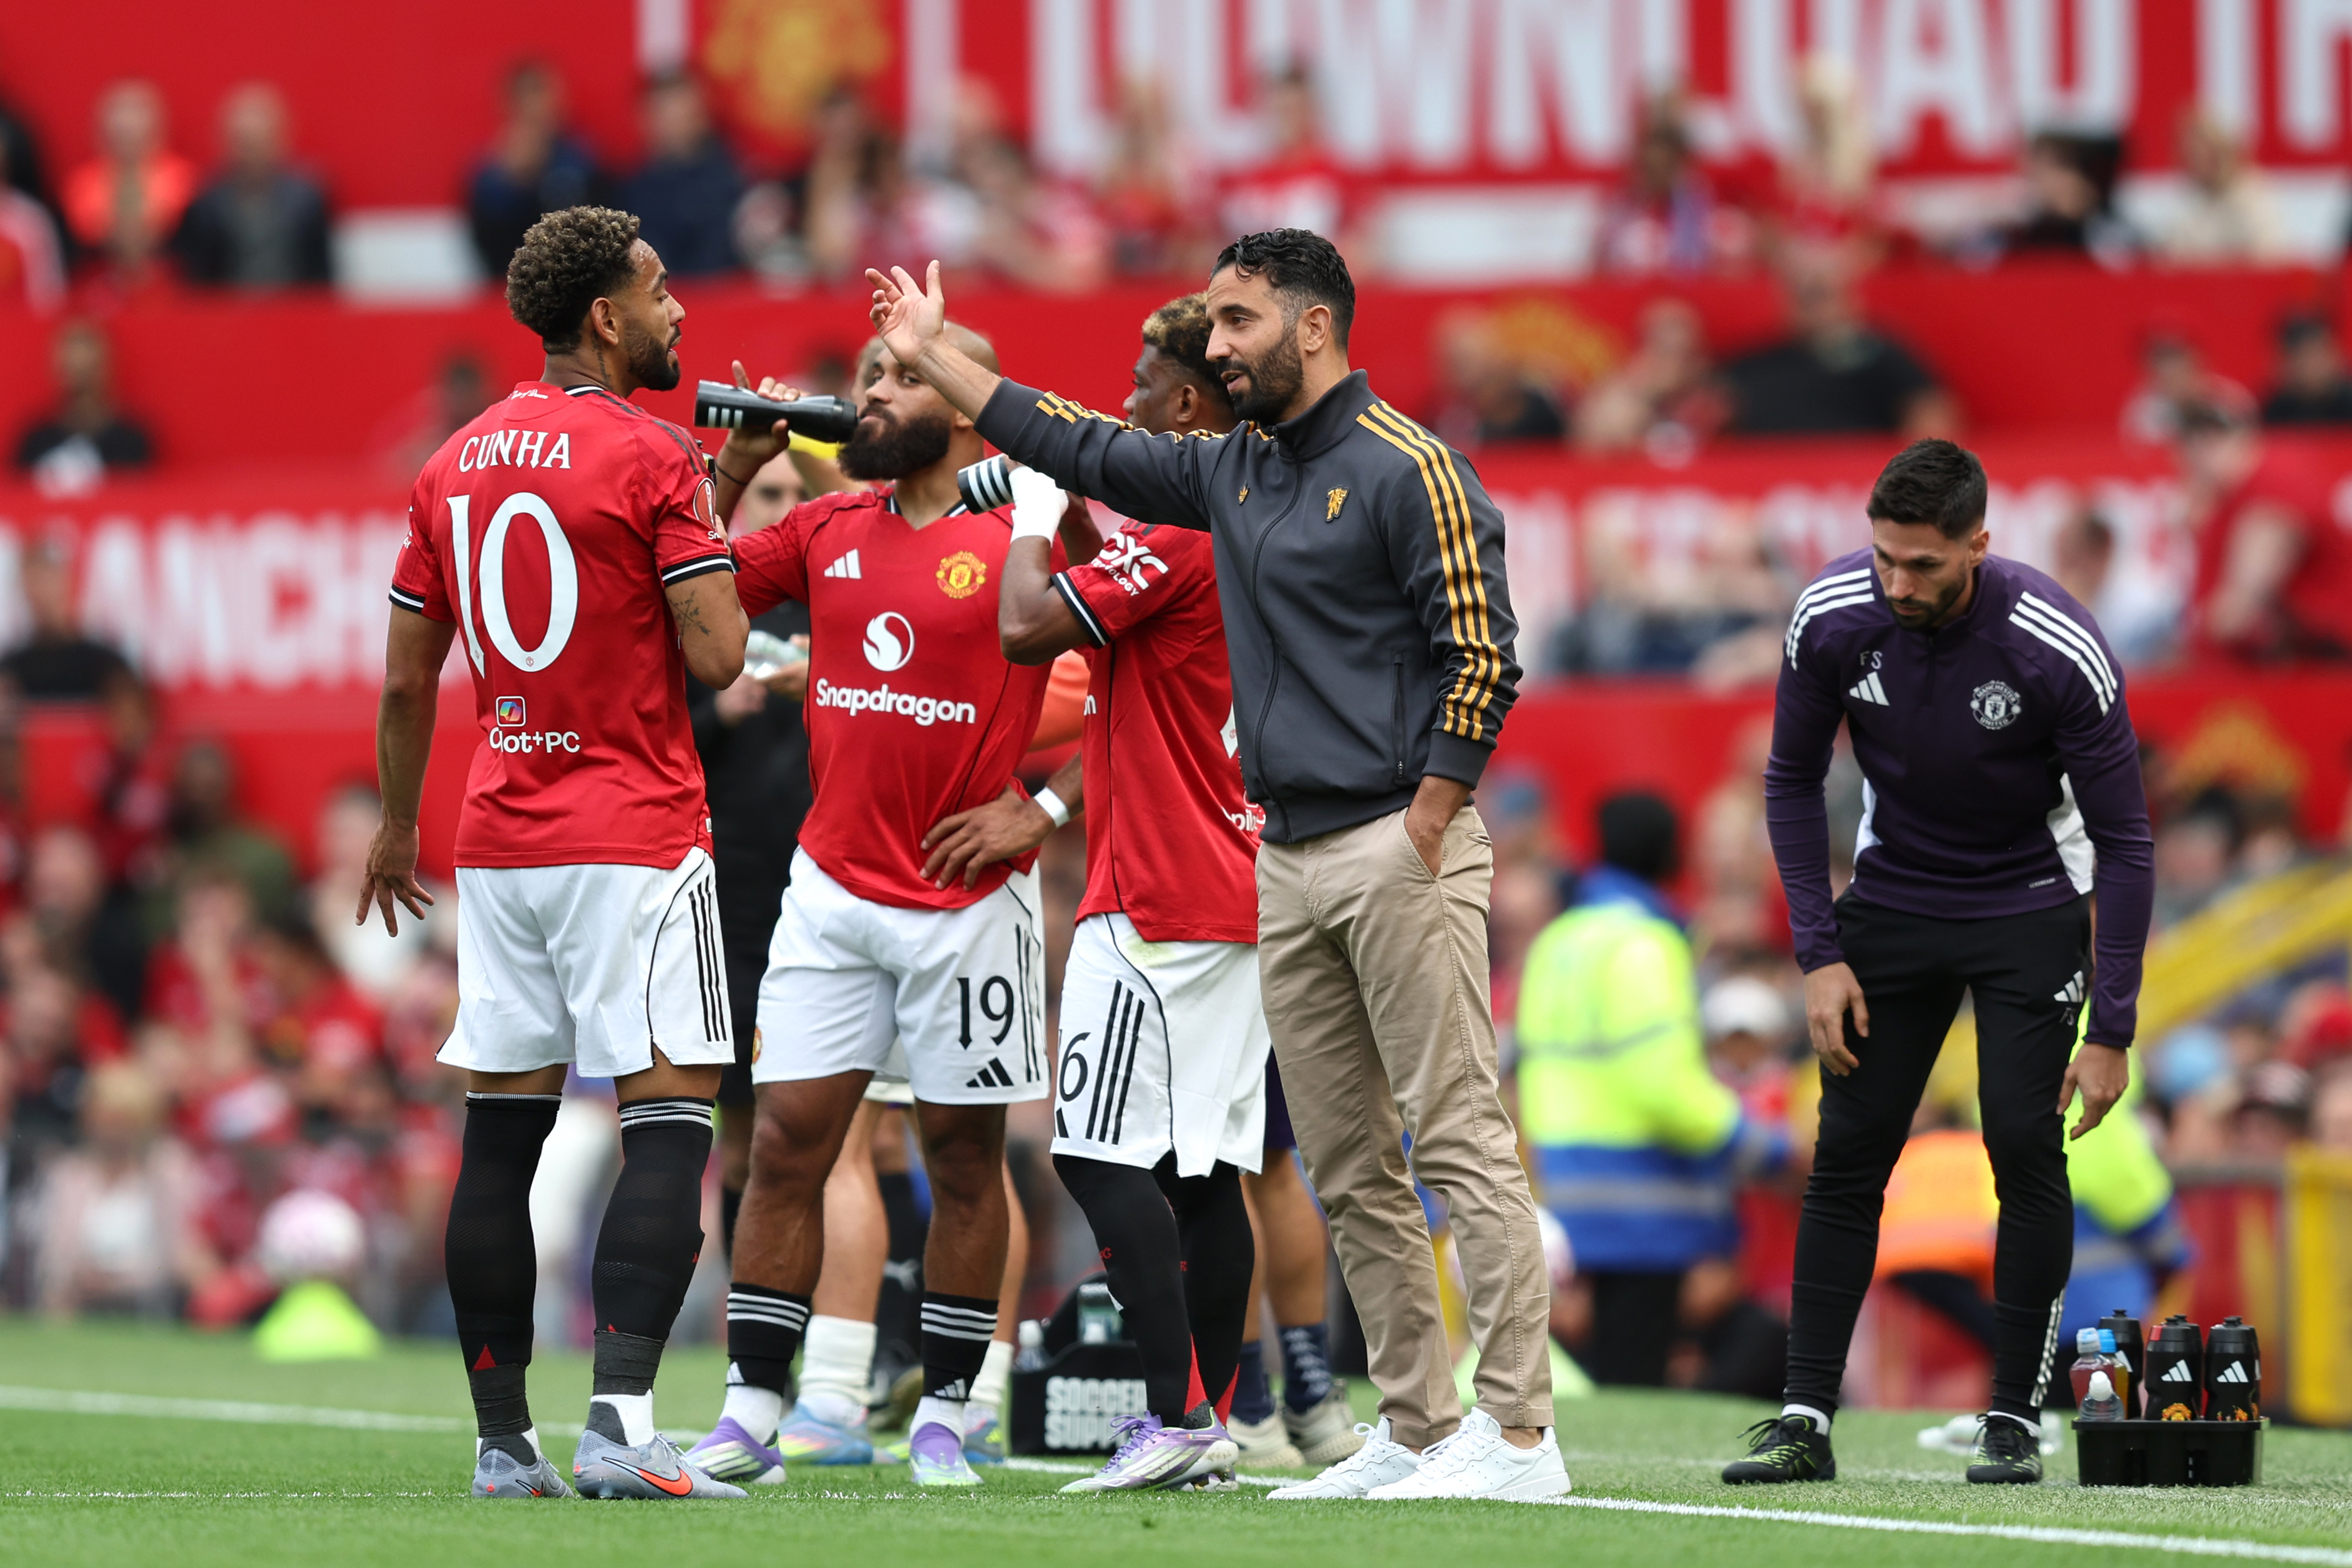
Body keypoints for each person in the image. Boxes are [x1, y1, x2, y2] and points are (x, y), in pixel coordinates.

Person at [867, 228, 1568, 1501]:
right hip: (1282, 852)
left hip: (1390, 839)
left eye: (1240, 322)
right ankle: (1414, 1424)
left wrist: (1430, 814)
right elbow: (1079, 441)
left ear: (1312, 326)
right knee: (1347, 1157)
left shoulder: (1410, 465)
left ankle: (1517, 1429)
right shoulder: (1233, 469)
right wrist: (936, 362)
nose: (1221, 346)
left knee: (1455, 1133)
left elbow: (1485, 649)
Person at [359, 204, 750, 1502]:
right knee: (671, 1121)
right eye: (656, 287)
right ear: (605, 316)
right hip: (633, 830)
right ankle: (625, 1422)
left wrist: (393, 823)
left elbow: (411, 680)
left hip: (500, 836)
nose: (675, 308)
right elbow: (717, 655)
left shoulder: (450, 462)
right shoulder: (653, 455)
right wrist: (717, 509)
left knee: (499, 1141)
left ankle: (499, 1440)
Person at [1729, 438, 2153, 1487]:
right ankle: (1801, 1417)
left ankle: (2012, 1415)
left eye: (1921, 564)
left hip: (2028, 905)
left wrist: (2110, 1027)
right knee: (1849, 1150)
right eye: (1882, 557)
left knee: (2020, 1142)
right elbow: (1787, 781)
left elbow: (2127, 841)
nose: (1896, 582)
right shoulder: (1830, 614)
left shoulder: (2055, 642)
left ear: (1977, 543)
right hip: (1894, 902)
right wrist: (1817, 953)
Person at [678, 324, 1057, 1492]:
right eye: (868, 380)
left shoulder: (1023, 535)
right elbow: (681, 589)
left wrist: (1041, 804)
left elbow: (1166, 676)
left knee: (960, 1156)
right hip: (830, 892)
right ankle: (752, 1408)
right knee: (787, 1142)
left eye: (899, 379)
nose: (870, 397)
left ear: (958, 401)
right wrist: (735, 466)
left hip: (967, 904)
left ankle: (946, 1409)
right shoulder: (827, 527)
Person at [978, 291, 1266, 1491]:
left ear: (1192, 402)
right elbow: (1130, 610)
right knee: (1201, 1169)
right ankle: (1205, 1419)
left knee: (1091, 1155)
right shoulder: (1238, 513)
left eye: (1141, 389)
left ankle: (1173, 1412)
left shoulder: (1185, 523)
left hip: (1152, 894)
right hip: (1233, 886)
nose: (1124, 408)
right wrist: (1087, 516)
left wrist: (1037, 518)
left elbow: (1021, 628)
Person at [1516, 792, 1780, 1388]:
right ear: (1669, 851)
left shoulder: (1557, 941)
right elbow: (1666, 1089)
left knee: (1596, 1388)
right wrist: (1766, 1145)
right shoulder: (1646, 943)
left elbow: (1533, 1074)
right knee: (1634, 1385)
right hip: (1644, 1205)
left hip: (1568, 1187)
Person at [2178, 399, 2352, 660]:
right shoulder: (2231, 494)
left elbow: (2239, 610)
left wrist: (2192, 635)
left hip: (2315, 662)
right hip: (2289, 659)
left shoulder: (2271, 489)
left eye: (2211, 439)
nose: (2197, 452)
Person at [1722, 242, 1954, 438]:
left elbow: (1931, 414)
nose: (1814, 308)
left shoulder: (1878, 354)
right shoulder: (1754, 362)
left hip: (1855, 477)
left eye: (1821, 294)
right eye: (1803, 295)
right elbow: (1705, 411)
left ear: (1850, 298)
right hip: (1767, 478)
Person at [172, 83, 332, 288]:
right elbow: (197, 279)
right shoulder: (205, 204)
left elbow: (321, 277)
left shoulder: (308, 200)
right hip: (227, 314)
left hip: (293, 311)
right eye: (244, 142)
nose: (252, 153)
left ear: (279, 138)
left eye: (259, 142)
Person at [467, 62, 600, 281]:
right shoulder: (490, 179)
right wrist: (515, 184)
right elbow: (488, 244)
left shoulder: (583, 162)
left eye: (544, 93)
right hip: (512, 288)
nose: (538, 106)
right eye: (528, 95)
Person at [617, 72, 745, 280]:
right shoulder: (628, 193)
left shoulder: (736, 182)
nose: (674, 128)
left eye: (685, 116)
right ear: (644, 118)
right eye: (664, 115)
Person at [61, 80, 195, 278]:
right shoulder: (81, 183)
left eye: (137, 111)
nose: (128, 123)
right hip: (99, 282)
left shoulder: (184, 180)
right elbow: (89, 232)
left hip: (169, 282)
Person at [14, 320, 154, 495]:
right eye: (71, 358)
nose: (79, 365)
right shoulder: (35, 441)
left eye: (88, 359)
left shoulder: (131, 442)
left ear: (107, 364)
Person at [0, 537, 131, 701]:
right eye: (32, 581)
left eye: (46, 578)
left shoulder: (105, 665)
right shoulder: (12, 670)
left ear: (66, 580)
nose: (40, 591)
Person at [2261, 313, 2352, 427]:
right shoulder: (2276, 412)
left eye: (2320, 354)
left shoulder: (2348, 405)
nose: (2314, 367)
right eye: (2304, 358)